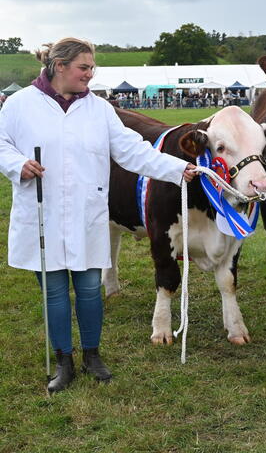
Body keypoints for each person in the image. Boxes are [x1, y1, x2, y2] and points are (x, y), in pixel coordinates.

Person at [0, 37, 197, 393]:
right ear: (59, 66)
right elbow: (1, 144)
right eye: (84, 68)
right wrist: (18, 164)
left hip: (87, 214)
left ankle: (92, 355)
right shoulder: (19, 105)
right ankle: (64, 361)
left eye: (92, 69)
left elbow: (132, 152)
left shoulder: (99, 109)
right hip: (41, 212)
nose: (90, 75)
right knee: (55, 292)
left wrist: (177, 168)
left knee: (90, 289)